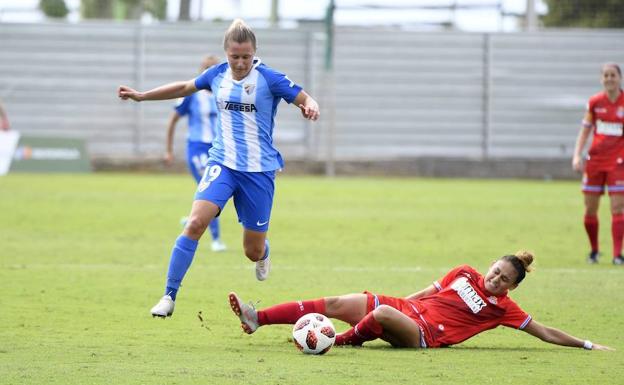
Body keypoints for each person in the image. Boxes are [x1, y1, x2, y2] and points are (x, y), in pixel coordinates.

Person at [118, 19, 320, 318]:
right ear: (226, 53)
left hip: (258, 172)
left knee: (251, 250)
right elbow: (185, 87)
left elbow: (304, 97)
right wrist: (142, 95)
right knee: (195, 223)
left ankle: (264, 254)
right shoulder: (217, 75)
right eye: (234, 56)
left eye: (245, 57)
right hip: (222, 164)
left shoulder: (269, 78)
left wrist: (310, 106)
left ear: (254, 53)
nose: (240, 63)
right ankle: (168, 296)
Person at [229, 251, 613, 351]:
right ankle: (257, 317)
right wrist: (395, 304)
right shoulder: (464, 272)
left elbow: (544, 332)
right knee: (337, 301)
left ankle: (338, 342)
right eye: (495, 271)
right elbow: (427, 293)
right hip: (410, 311)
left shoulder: (504, 310)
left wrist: (587, 343)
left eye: (503, 280)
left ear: (511, 288)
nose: (494, 279)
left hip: (426, 334)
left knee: (378, 312)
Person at [165, 55, 226, 253]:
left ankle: (192, 219)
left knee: (224, 193)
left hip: (219, 150)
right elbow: (173, 120)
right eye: (206, 68)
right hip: (197, 149)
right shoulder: (191, 95)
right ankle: (216, 240)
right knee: (211, 192)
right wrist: (169, 150)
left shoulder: (225, 92)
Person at [572, 63, 624, 265]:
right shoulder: (594, 102)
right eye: (606, 75)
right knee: (590, 208)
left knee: (618, 208)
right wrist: (577, 155)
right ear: (601, 79)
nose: (610, 78)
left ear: (619, 78)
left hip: (618, 163)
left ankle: (617, 254)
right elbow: (585, 130)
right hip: (595, 161)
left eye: (613, 75)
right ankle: (594, 251)